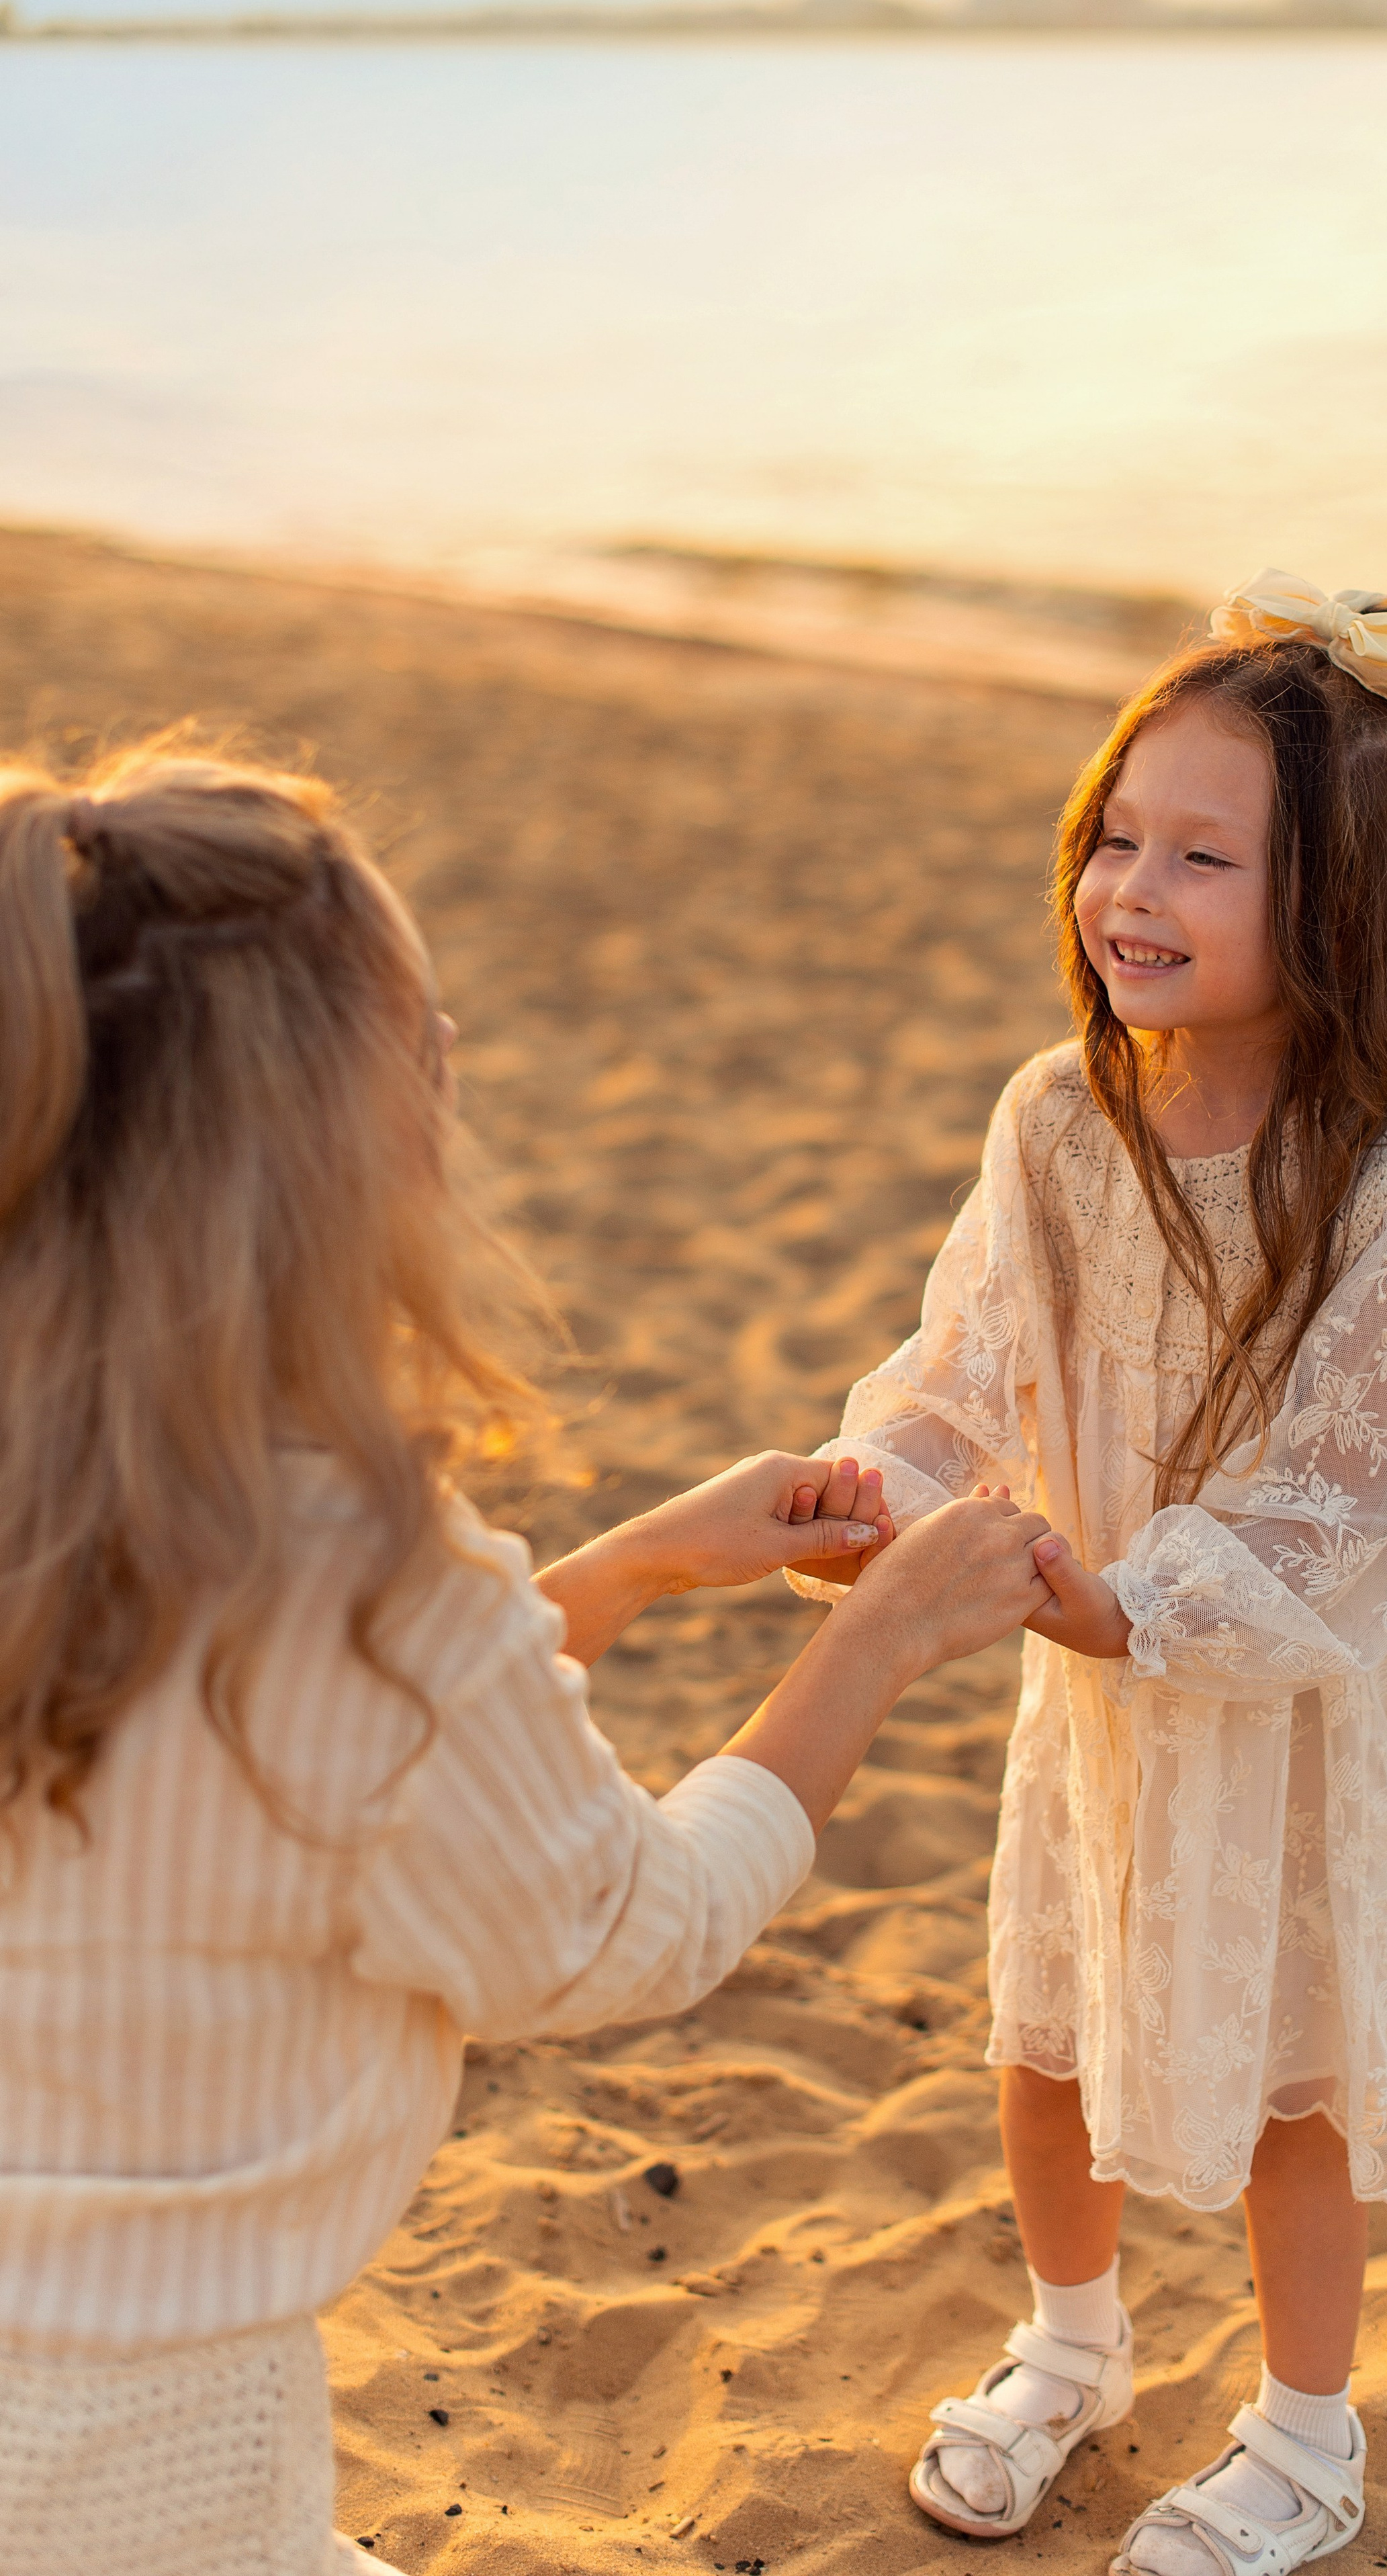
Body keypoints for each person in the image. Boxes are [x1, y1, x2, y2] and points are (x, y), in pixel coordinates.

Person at [0, 745, 1054, 2576]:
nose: (453, 1070)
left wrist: (635, 1565)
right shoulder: (376, 1590)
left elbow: (286, 1773)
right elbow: (625, 1928)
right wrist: (881, 1639)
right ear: (337, 1156)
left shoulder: (96, 1505)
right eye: (430, 1049)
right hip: (154, 2482)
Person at [789, 575, 1387, 2575]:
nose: (1130, 887)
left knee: (1289, 2072)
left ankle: (1306, 2434)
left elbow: (1343, 1510)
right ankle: (1069, 2340)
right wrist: (878, 1476)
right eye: (1117, 836)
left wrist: (1128, 1599)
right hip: (1094, 1684)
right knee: (1047, 2022)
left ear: (1335, 909)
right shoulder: (1063, 1121)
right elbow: (970, 1360)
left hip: (1286, 1699)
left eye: (1200, 856)